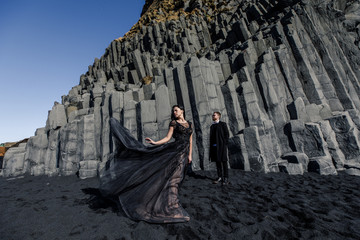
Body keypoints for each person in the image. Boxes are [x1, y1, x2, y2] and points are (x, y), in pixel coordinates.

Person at [98, 105, 193, 223]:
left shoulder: (189, 124)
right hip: (175, 152)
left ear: (182, 110)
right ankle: (172, 207)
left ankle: (170, 205)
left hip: (184, 154)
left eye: (176, 110)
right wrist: (155, 142)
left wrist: (190, 155)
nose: (174, 112)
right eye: (173, 111)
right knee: (173, 179)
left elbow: (190, 140)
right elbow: (167, 138)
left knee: (177, 180)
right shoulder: (173, 123)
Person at [209, 111, 230, 185]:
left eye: (214, 115)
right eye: (212, 115)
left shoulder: (223, 124)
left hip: (222, 146)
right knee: (217, 162)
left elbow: (227, 134)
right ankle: (219, 177)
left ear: (218, 116)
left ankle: (226, 178)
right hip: (214, 147)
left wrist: (224, 144)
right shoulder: (212, 126)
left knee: (224, 162)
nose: (213, 116)